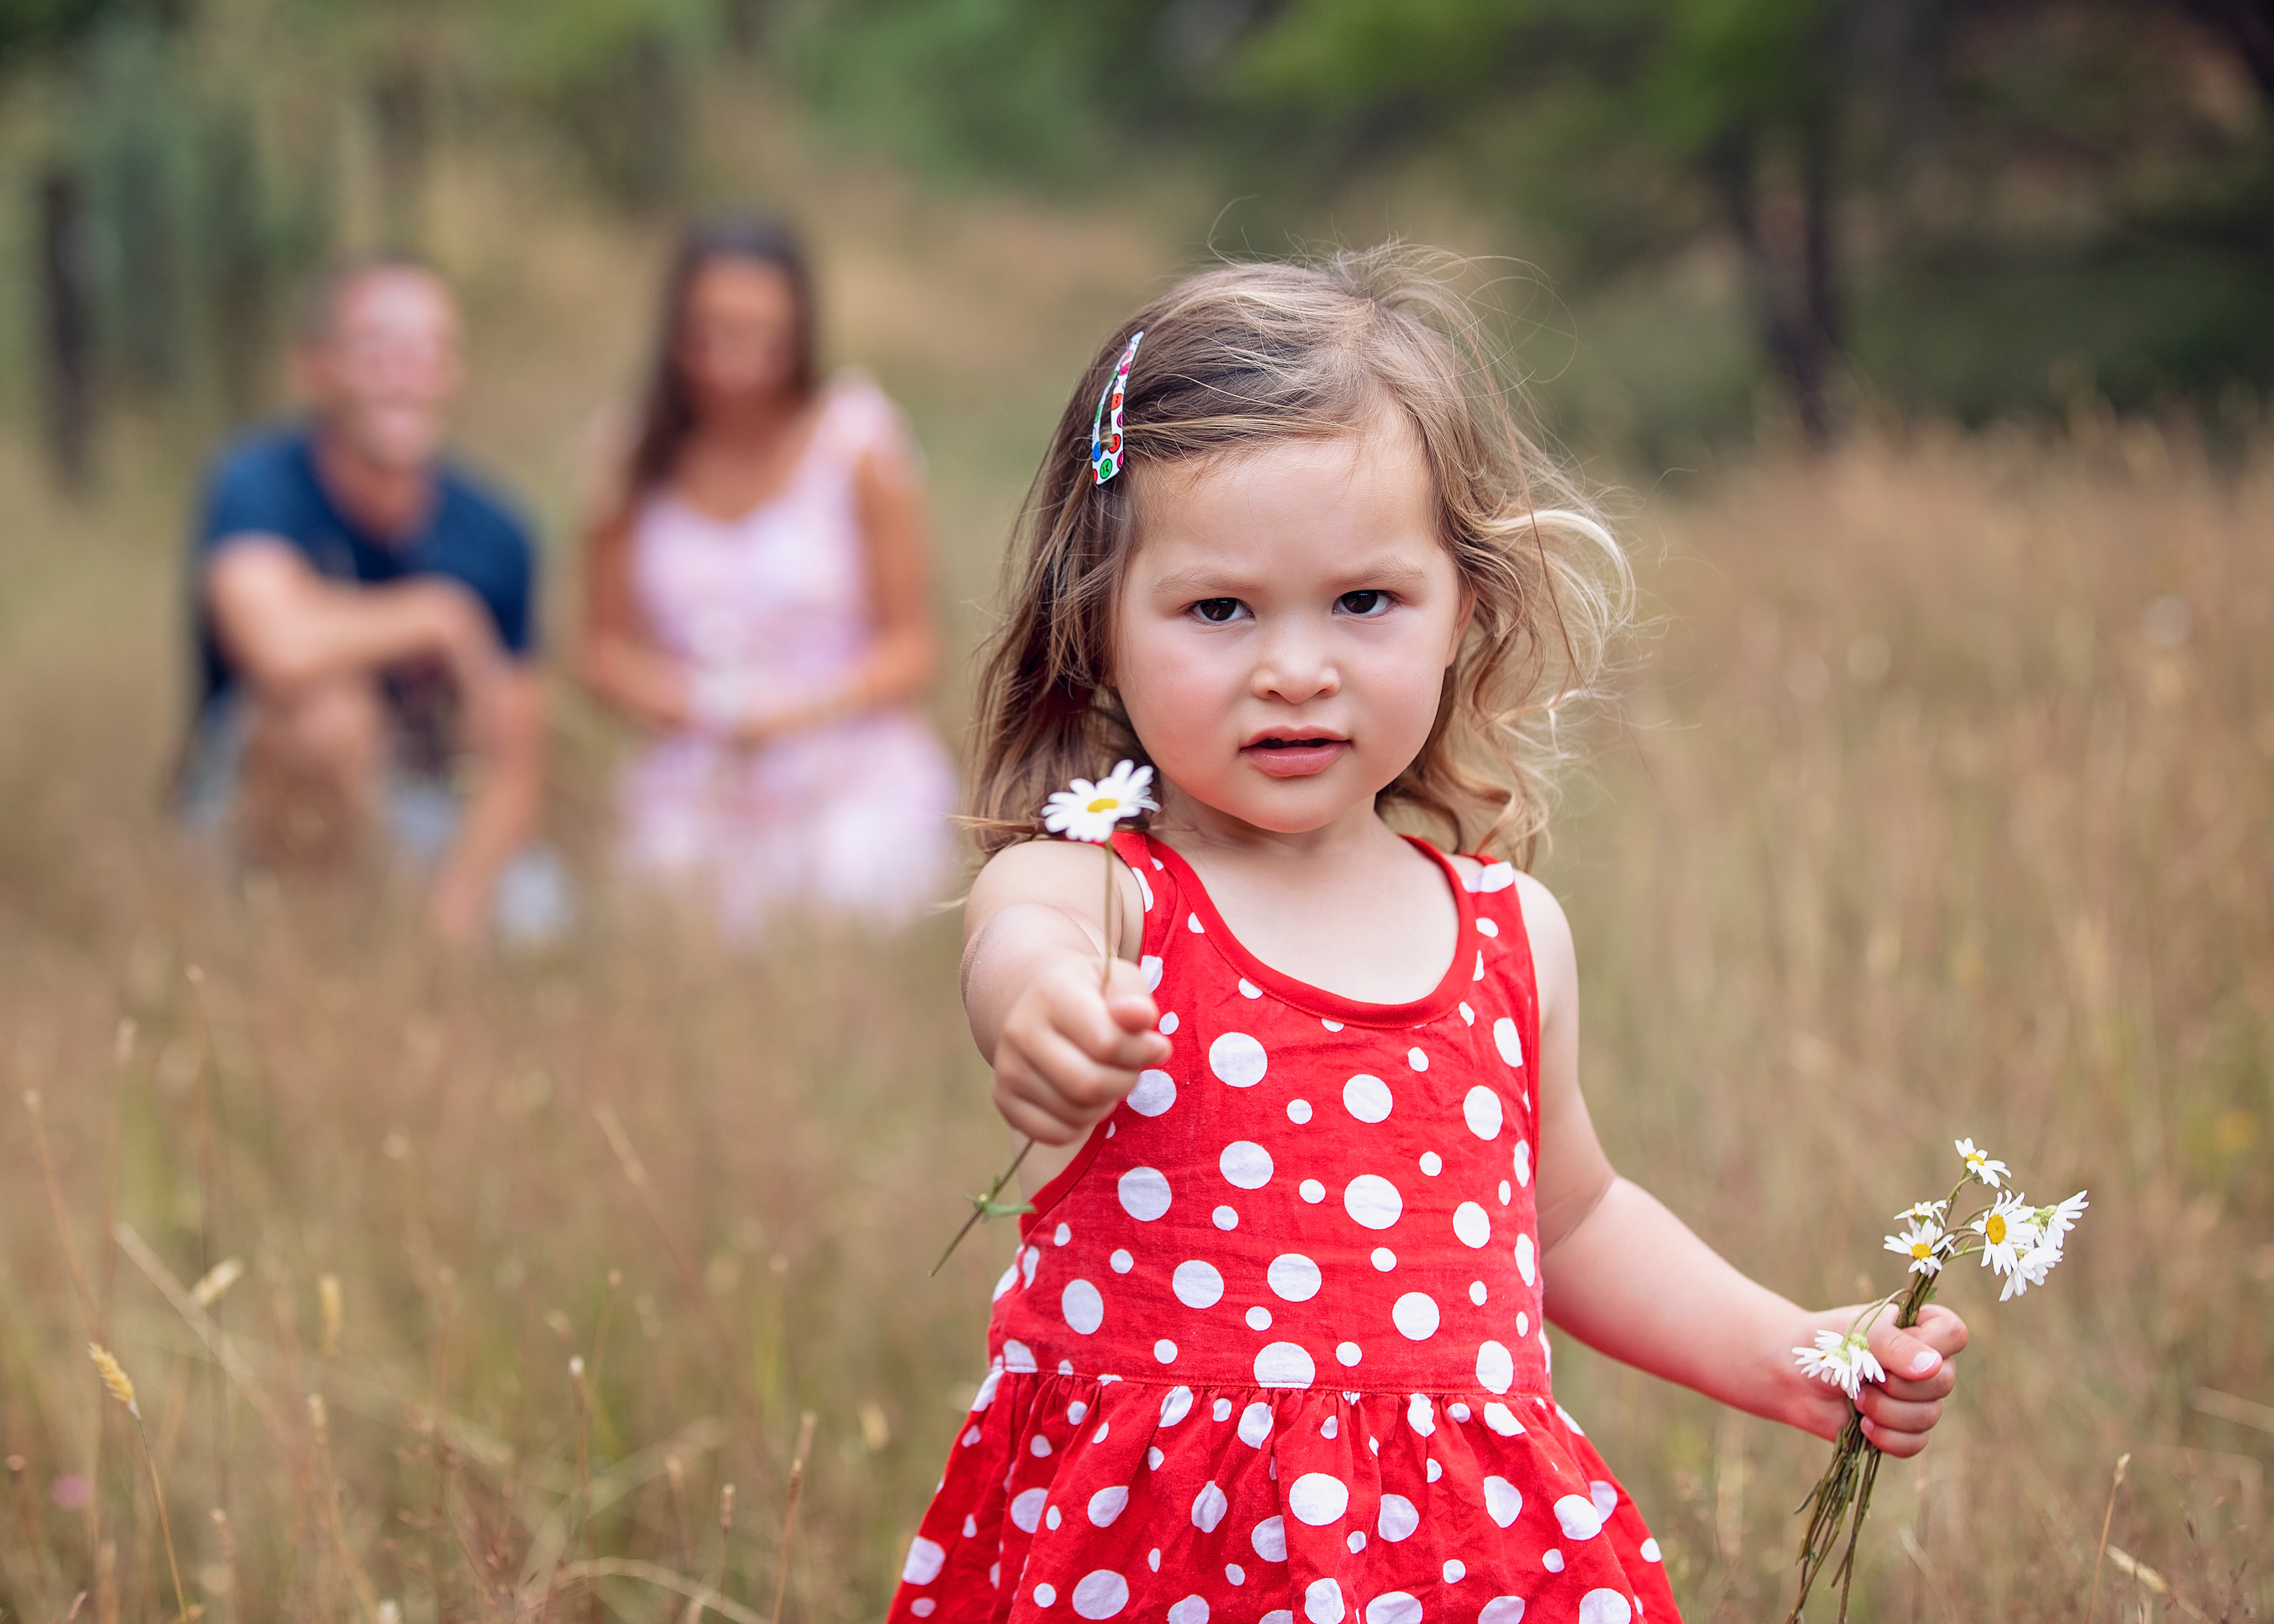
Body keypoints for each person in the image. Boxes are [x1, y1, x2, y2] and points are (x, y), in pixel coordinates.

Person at [888, 251, 1969, 1622]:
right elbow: (1017, 937)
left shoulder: (1512, 932)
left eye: (1362, 601)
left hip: (1446, 1555)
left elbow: (1570, 1215)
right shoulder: (1108, 889)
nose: (1295, 665)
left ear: (1464, 604)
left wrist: (1790, 1351)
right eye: (1218, 608)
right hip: (1162, 1552)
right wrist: (1041, 1005)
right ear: (1097, 624)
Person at [578, 214, 955, 938]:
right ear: (676, 331)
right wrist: (695, 706)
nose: (733, 363)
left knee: (844, 899)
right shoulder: (628, 453)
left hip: (848, 758)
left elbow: (913, 647)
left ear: (798, 333)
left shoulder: (860, 440)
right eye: (710, 334)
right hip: (696, 766)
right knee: (673, 917)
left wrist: (797, 711)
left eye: (761, 338)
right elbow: (602, 652)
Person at [181, 255, 558, 944]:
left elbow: (514, 765)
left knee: (541, 926)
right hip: (255, 808)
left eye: (427, 350)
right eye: (378, 349)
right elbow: (280, 651)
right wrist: (441, 617)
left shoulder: (498, 531)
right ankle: (310, 950)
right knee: (324, 718)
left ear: (454, 372)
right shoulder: (256, 486)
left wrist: (460, 903)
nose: (404, 373)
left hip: (427, 809)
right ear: (316, 366)